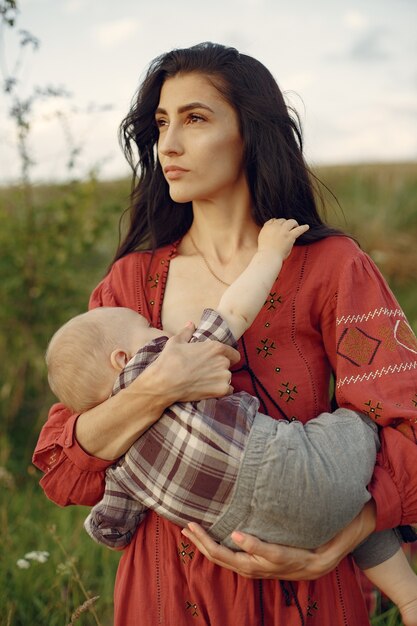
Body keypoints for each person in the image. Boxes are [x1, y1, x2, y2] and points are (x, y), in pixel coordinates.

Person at [33, 42, 417, 626]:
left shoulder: (331, 267)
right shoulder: (130, 284)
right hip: (164, 594)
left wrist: (336, 542)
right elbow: (67, 470)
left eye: (195, 118)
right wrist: (154, 388)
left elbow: (404, 419)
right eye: (161, 123)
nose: (168, 144)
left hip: (307, 592)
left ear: (251, 133)